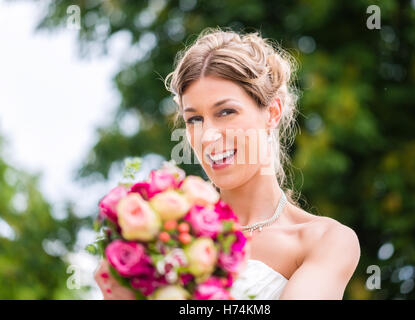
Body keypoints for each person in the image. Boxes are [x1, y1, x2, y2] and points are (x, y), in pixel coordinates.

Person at [95, 27, 360, 300]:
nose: (208, 136)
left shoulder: (325, 240)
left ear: (272, 112)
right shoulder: (168, 237)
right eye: (194, 119)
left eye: (226, 112)